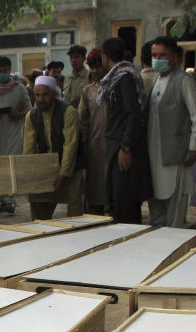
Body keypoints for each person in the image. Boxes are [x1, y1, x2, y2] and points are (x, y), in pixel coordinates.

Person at [146, 37, 196, 228]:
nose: (157, 59)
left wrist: (193, 148)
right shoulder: (156, 80)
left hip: (176, 154)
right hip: (154, 154)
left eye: (162, 55)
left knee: (174, 211)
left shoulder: (184, 80)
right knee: (156, 208)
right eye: (154, 55)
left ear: (175, 57)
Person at [98, 37, 150, 223]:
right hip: (116, 144)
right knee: (117, 203)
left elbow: (133, 114)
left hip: (123, 148)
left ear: (104, 57)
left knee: (125, 204)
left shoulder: (124, 78)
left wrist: (125, 147)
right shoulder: (117, 78)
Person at [25, 76, 80, 219]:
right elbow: (29, 149)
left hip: (72, 168)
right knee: (38, 207)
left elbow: (70, 145)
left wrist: (63, 174)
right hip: (46, 168)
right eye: (37, 95)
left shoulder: (69, 112)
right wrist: (30, 174)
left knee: (75, 215)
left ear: (54, 94)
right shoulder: (31, 116)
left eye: (45, 94)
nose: (40, 99)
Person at [0, 56, 29, 214]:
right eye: (0, 71)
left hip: (14, 132)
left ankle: (10, 200)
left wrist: (19, 114)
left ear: (10, 70)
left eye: (5, 70)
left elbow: (29, 108)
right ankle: (3, 200)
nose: (3, 73)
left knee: (11, 166)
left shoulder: (19, 88)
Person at [79, 47, 108, 213]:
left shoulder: (117, 88)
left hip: (114, 149)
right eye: (93, 67)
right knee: (94, 196)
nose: (96, 71)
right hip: (94, 149)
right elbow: (83, 122)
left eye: (99, 66)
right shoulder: (88, 91)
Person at [64, 44, 90, 108]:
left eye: (76, 57)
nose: (73, 60)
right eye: (71, 57)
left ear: (84, 59)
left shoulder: (89, 76)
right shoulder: (67, 78)